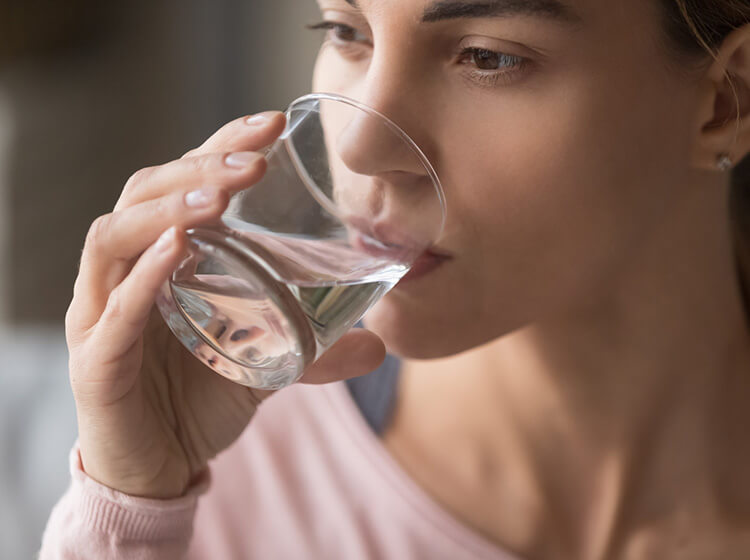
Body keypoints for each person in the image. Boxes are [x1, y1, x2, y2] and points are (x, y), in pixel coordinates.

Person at [40, 0, 750, 558]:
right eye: (345, 30)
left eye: (489, 57)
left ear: (728, 104)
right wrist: (129, 509)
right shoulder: (223, 463)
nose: (358, 147)